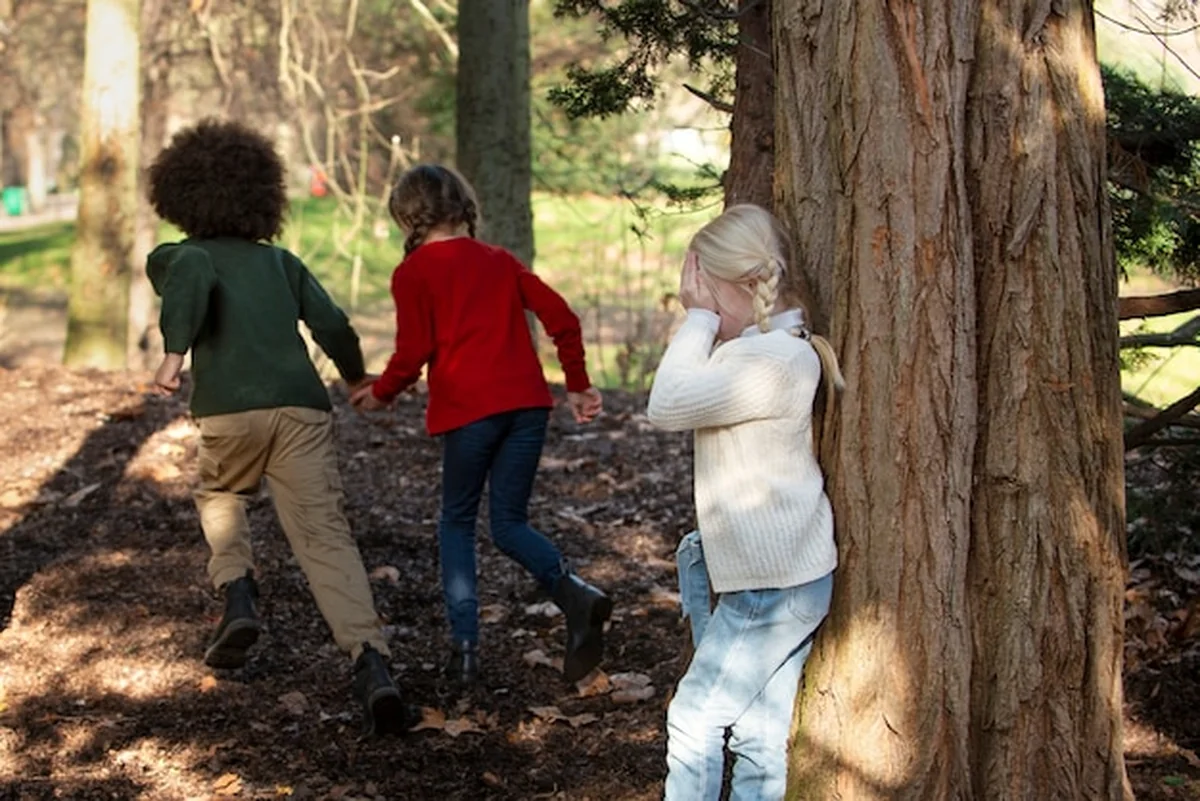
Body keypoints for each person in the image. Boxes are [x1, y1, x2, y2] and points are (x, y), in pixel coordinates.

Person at [145, 118, 417, 737]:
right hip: (301, 409)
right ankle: (371, 662)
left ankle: (238, 593)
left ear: (178, 195)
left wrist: (173, 354)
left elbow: (189, 275)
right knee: (325, 537)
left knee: (220, 495)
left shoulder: (176, 253)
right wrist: (354, 378)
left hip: (229, 410)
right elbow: (335, 325)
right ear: (262, 196)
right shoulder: (282, 263)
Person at [350, 164, 611, 685]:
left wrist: (381, 395)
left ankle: (464, 647)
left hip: (470, 414)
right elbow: (562, 319)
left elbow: (413, 352)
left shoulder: (414, 273)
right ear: (463, 208)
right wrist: (578, 385)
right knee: (510, 523)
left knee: (457, 522)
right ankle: (574, 594)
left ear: (407, 217)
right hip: (528, 409)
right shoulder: (500, 261)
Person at [646, 204, 844, 800]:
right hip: (777, 580)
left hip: (773, 588)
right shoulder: (762, 350)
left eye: (703, 284)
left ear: (745, 283)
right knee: (757, 736)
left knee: (694, 717)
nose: (692, 295)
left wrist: (700, 319)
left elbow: (668, 404)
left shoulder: (777, 361)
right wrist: (711, 315)